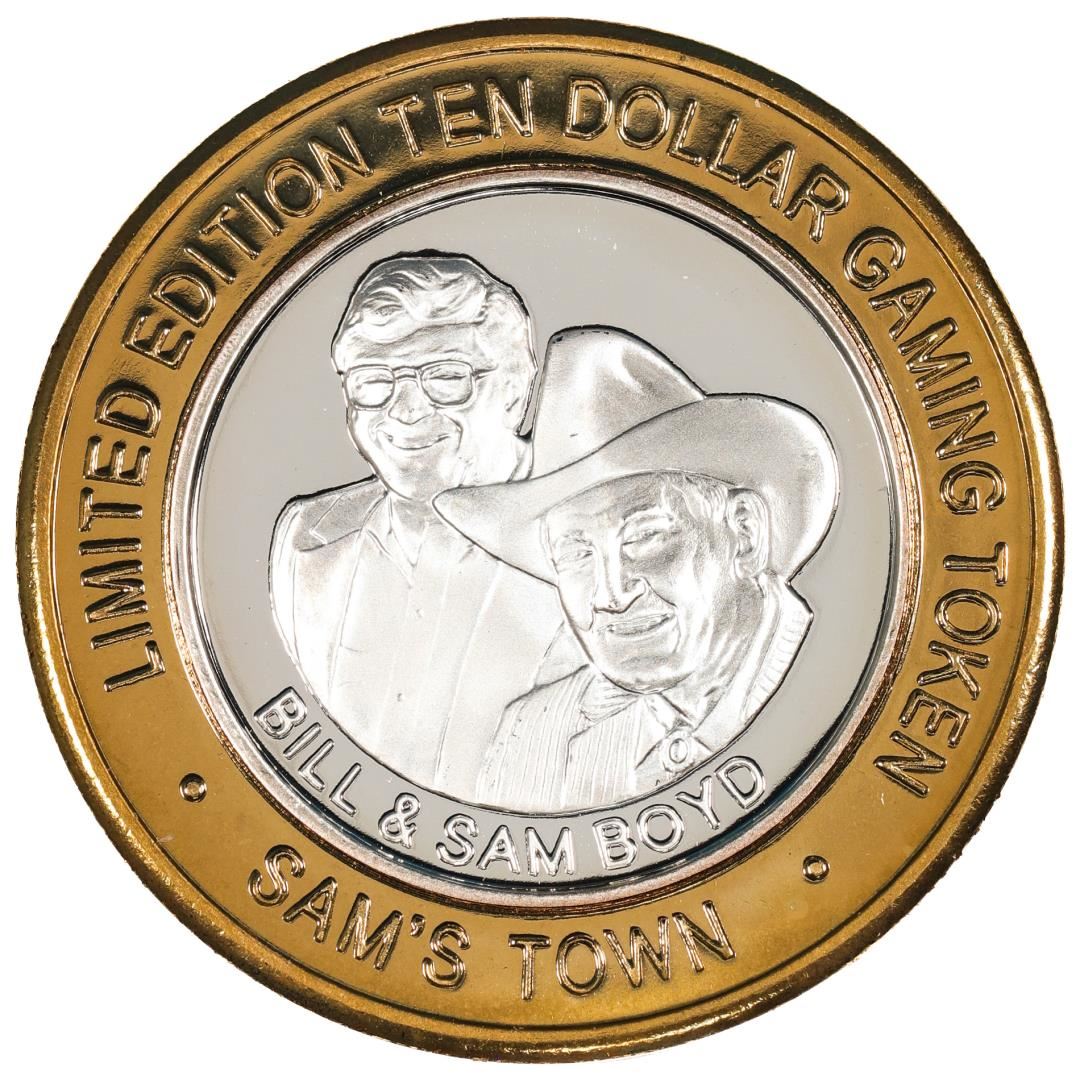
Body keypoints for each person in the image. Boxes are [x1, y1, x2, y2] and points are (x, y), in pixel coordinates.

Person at [435, 327, 838, 812]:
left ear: (745, 533)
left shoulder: (847, 686)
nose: (612, 593)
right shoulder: (531, 736)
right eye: (576, 553)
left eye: (644, 536)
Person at [269, 253, 572, 797]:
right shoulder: (307, 541)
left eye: (446, 377)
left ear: (516, 388)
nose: (405, 410)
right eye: (373, 381)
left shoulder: (600, 539)